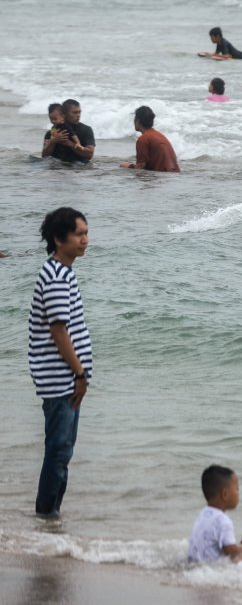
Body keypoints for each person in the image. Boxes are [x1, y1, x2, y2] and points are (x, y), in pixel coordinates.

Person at [28, 207, 93, 517]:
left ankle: (50, 517)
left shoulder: (63, 272)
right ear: (59, 238)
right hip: (61, 379)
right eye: (79, 234)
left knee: (62, 451)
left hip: (66, 379)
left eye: (85, 233)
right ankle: (46, 516)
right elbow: (59, 331)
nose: (85, 240)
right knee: (58, 450)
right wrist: (80, 374)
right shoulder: (55, 276)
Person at [187, 465, 242, 562]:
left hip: (195, 564)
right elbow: (232, 553)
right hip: (210, 568)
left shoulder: (203, 513)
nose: (238, 493)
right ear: (225, 494)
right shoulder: (223, 520)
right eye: (237, 489)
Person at [119, 106, 180, 173]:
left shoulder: (143, 139)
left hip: (163, 177)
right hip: (174, 175)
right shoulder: (160, 135)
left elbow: (140, 169)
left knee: (123, 166)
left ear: (138, 121)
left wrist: (128, 167)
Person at [43, 99, 95, 163]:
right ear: (64, 114)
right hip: (57, 168)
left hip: (80, 169)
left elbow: (89, 155)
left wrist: (69, 143)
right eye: (75, 112)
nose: (78, 115)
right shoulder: (51, 133)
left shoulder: (86, 130)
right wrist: (53, 141)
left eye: (79, 112)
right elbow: (44, 156)